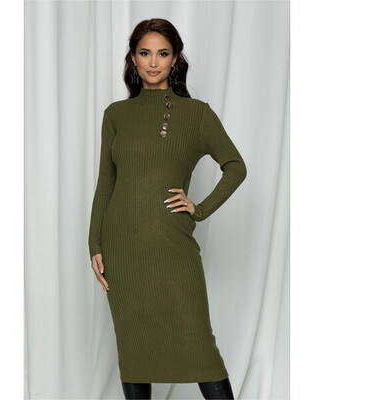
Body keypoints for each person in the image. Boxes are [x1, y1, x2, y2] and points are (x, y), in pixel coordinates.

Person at [88, 18, 247, 400]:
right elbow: (106, 184)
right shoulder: (116, 114)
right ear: (133, 58)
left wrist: (199, 209)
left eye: (163, 54)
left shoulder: (196, 114)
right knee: (134, 352)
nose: (153, 62)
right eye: (145, 53)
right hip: (122, 252)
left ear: (175, 59)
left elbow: (235, 166)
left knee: (201, 350)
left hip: (171, 247)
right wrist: (94, 244)